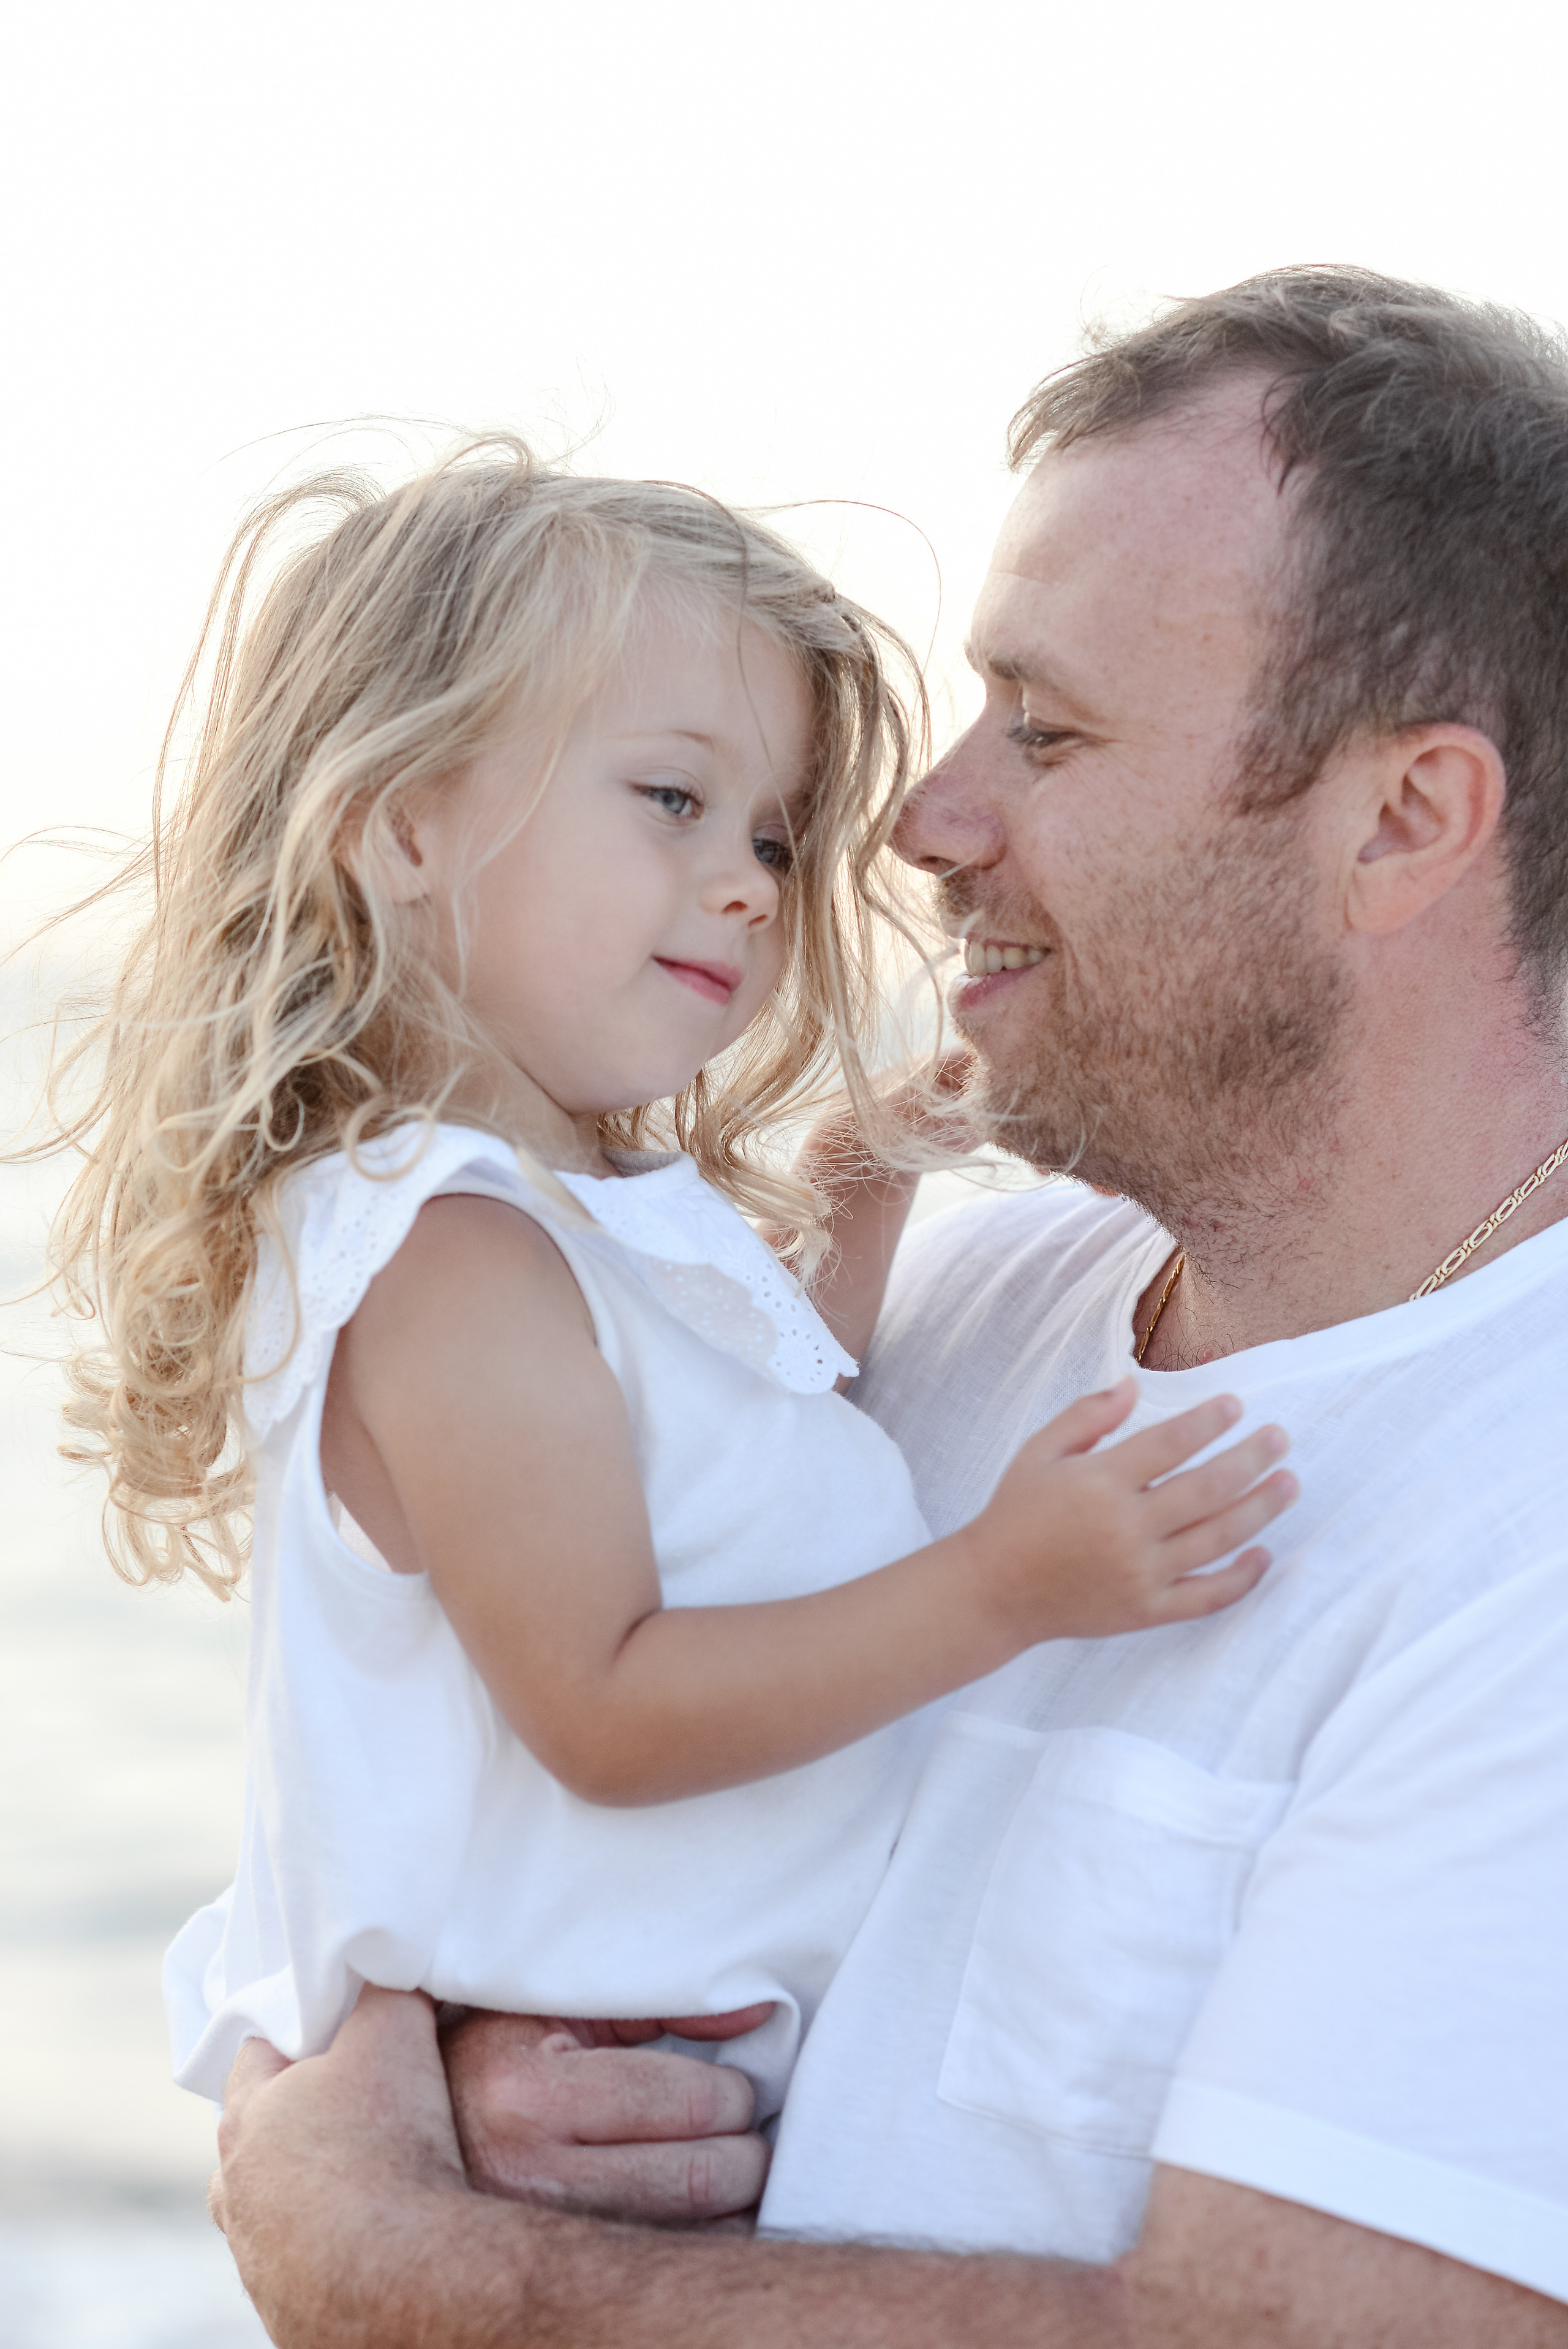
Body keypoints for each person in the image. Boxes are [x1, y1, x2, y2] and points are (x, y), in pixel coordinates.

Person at [209, 267, 1568, 2347]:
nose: (917, 821)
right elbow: (424, 1777)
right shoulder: (966, 1299)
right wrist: (477, 2071)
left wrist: (399, 2250)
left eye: (1050, 724)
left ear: (1404, 818)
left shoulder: (1524, 1527)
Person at [44, 447, 1291, 2124]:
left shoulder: (594, 1208)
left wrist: (852, 1193)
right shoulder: (453, 1250)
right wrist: (1004, 1585)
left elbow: (744, 1478)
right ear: (404, 822)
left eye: (776, 834)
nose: (751, 884)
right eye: (672, 800)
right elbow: (606, 1703)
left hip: (703, 2067)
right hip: (606, 2091)